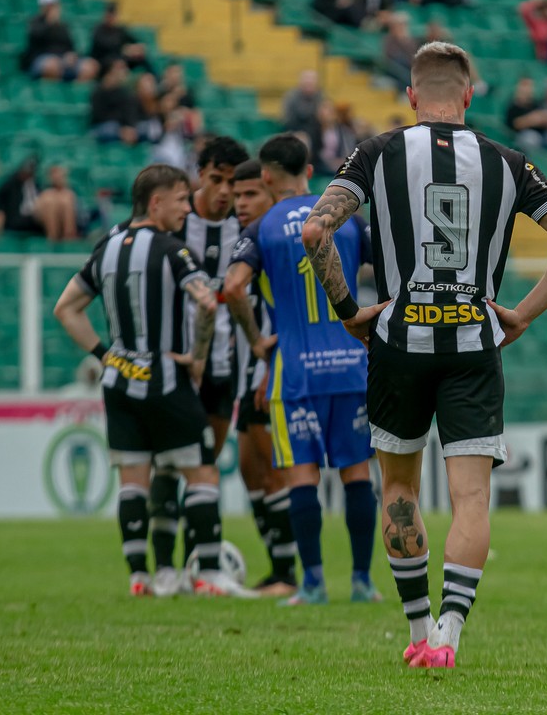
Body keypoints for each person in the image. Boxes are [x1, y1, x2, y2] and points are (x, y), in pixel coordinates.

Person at [300, 42, 547, 667]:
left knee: (400, 487)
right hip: (471, 343)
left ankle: (415, 631)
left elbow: (315, 229)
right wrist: (521, 311)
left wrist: (349, 310)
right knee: (471, 499)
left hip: (399, 342)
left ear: (411, 96)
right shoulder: (508, 161)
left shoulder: (378, 153)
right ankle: (449, 636)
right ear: (468, 96)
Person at [52, 164, 255, 598]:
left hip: (119, 380)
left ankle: (140, 578)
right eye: (182, 200)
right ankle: (210, 575)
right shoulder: (171, 248)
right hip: (165, 377)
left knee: (133, 479)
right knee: (202, 474)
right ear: (156, 202)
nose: (186, 209)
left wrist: (105, 355)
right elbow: (206, 302)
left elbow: (65, 309)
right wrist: (197, 359)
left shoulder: (105, 246)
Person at [224, 134, 381, 608]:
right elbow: (388, 265)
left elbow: (233, 288)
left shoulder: (263, 227)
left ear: (266, 177)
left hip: (295, 372)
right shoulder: (344, 217)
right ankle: (361, 582)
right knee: (356, 475)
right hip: (352, 365)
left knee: (302, 477)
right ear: (309, 171)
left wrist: (256, 341)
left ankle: (312, 584)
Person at [143, 136, 249, 596]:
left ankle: (196, 567)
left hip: (223, 366)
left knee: (205, 463)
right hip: (177, 363)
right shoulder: (174, 228)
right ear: (199, 176)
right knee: (168, 466)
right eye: (216, 179)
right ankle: (164, 568)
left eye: (232, 181)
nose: (225, 191)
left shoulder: (244, 228)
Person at [226, 159, 298, 596]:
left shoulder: (274, 238)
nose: (241, 204)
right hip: (248, 368)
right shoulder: (247, 239)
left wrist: (267, 358)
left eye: (250, 194)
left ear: (270, 192)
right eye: (237, 196)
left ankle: (289, 572)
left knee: (274, 473)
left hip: (274, 367)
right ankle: (278, 567)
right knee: (250, 472)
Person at [0, 159, 78, 241]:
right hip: (22, 217)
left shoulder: (39, 183)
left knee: (65, 197)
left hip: (43, 217)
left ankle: (68, 237)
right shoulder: (12, 183)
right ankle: (53, 240)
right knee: (49, 199)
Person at [21, 0, 99, 83]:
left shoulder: (63, 26)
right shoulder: (35, 23)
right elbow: (35, 40)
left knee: (90, 66)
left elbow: (70, 46)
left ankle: (74, 94)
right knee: (52, 65)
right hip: (42, 59)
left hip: (63, 60)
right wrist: (49, 23)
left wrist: (72, 55)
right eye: (51, 7)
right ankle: (51, 94)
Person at [90, 1, 152, 74]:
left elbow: (134, 41)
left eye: (113, 15)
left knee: (141, 58)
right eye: (110, 15)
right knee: (119, 64)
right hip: (104, 60)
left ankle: (155, 78)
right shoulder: (98, 30)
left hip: (120, 57)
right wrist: (124, 50)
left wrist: (136, 48)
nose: (112, 18)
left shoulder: (120, 30)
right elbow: (105, 46)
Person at [281, 70, 323, 152]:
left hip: (316, 133)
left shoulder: (319, 97)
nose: (309, 87)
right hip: (295, 130)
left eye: (311, 84)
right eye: (307, 84)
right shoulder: (292, 97)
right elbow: (287, 120)